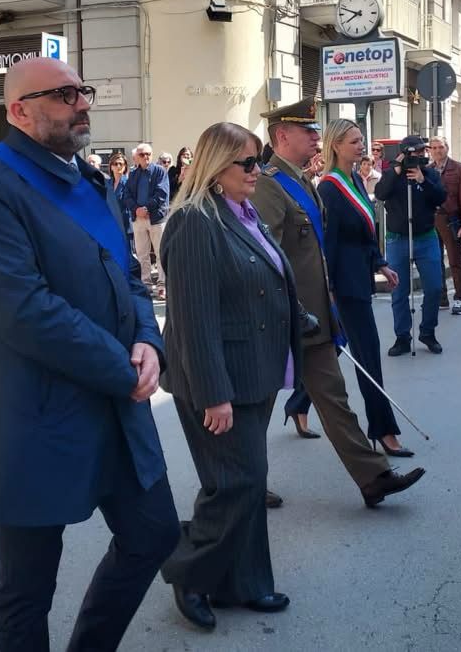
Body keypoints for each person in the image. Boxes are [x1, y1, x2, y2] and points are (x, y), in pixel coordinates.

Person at [0, 56, 177, 652]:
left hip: (114, 405)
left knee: (153, 535)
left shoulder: (93, 181)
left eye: (82, 91)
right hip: (35, 415)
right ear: (19, 112)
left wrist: (148, 340)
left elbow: (128, 275)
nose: (82, 104)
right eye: (64, 95)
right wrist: (122, 368)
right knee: (27, 586)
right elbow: (23, 308)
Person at [159, 122, 300, 631]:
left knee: (245, 481)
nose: (258, 171)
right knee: (236, 483)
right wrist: (213, 395)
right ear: (217, 166)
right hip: (219, 381)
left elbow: (261, 279)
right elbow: (194, 319)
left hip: (254, 371)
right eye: (248, 162)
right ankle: (188, 572)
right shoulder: (195, 221)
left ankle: (245, 582)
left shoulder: (242, 211)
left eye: (259, 160)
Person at [252, 98, 425, 508]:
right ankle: (244, 483)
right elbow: (265, 256)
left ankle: (373, 478)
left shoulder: (302, 180)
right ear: (282, 136)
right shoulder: (268, 185)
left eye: (317, 132)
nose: (317, 138)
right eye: (308, 132)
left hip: (314, 315)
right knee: (256, 406)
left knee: (334, 397)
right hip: (283, 316)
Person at [319, 119, 411, 455]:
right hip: (344, 285)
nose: (361, 146)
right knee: (367, 353)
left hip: (361, 276)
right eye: (354, 141)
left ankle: (297, 405)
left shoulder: (356, 178)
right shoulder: (329, 188)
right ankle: (383, 430)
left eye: (361, 140)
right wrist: (328, 287)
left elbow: (366, 230)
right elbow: (327, 243)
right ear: (336, 146)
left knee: (332, 348)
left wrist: (380, 263)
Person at [375, 135, 447, 356]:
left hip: (425, 237)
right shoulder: (392, 174)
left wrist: (422, 181)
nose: (418, 157)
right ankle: (402, 337)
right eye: (413, 153)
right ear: (403, 154)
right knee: (399, 291)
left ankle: (428, 331)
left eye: (421, 152)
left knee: (434, 287)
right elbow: (380, 193)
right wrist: (396, 170)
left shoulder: (430, 173)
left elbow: (440, 198)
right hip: (398, 238)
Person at [428, 137, 461, 315]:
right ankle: (441, 298)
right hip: (431, 219)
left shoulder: (459, 168)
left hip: (450, 218)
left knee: (455, 260)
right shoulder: (427, 170)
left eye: (440, 147)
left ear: (447, 148)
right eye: (434, 148)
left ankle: (459, 297)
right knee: (435, 260)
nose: (437, 150)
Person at [120, 142, 170, 300]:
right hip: (138, 219)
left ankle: (162, 286)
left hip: (156, 218)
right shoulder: (134, 174)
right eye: (142, 154)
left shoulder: (160, 171)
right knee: (142, 254)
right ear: (137, 157)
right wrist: (136, 209)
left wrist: (146, 208)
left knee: (161, 253)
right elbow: (127, 194)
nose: (146, 157)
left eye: (148, 154)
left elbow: (162, 193)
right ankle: (146, 285)